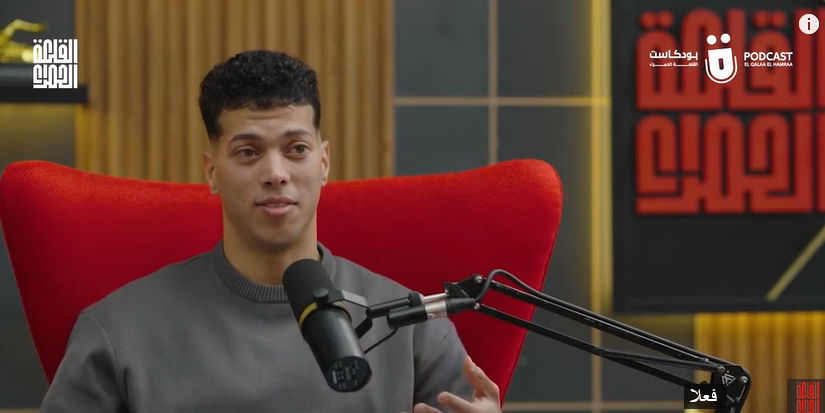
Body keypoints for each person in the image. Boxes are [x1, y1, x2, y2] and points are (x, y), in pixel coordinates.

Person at [38, 50, 502, 413]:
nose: (276, 173)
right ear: (212, 171)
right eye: (248, 152)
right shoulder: (118, 330)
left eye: (296, 149)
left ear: (323, 163)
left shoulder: (414, 329)